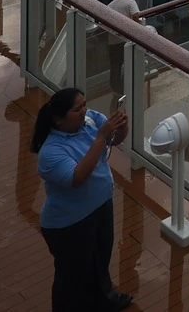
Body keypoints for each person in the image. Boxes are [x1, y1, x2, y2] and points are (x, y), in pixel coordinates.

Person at [32, 88, 132, 312]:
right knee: (72, 277)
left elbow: (114, 140)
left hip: (100, 207)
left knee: (100, 261)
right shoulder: (50, 152)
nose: (84, 111)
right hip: (69, 224)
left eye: (84, 104)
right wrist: (101, 137)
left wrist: (121, 127)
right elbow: (78, 177)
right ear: (58, 119)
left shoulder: (91, 120)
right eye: (77, 109)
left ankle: (105, 301)